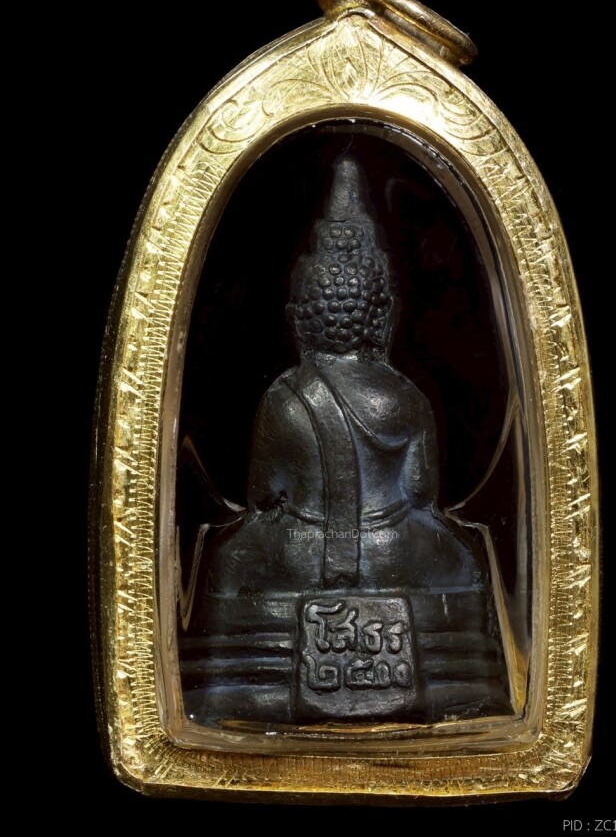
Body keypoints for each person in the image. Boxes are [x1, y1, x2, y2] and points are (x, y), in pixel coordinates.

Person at [181, 154, 511, 724]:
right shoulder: (405, 397)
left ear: (299, 317)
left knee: (232, 564)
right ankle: (452, 676)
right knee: (459, 559)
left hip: (297, 551)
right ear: (384, 317)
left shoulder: (283, 397)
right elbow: (421, 496)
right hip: (396, 549)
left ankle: (251, 678)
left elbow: (263, 497)